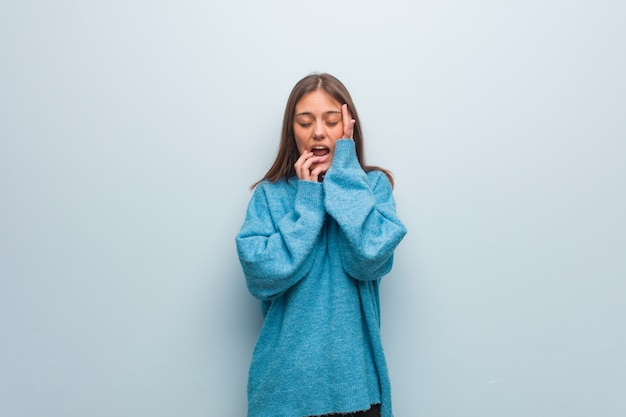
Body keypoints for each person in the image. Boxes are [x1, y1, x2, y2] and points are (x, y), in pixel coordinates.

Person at [235, 73, 407, 417]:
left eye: (331, 121)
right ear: (292, 131)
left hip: (357, 388)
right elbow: (262, 278)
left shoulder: (372, 188)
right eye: (305, 121)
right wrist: (308, 202)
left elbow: (368, 257)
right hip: (284, 387)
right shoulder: (269, 196)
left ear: (348, 130)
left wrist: (343, 174)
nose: (318, 132)